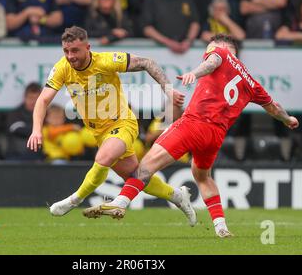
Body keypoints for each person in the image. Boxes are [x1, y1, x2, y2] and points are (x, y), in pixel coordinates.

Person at [83, 34, 299, 238]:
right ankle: (221, 227)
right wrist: (288, 119)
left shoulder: (220, 54)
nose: (207, 52)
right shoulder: (251, 83)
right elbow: (274, 107)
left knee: (145, 166)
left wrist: (194, 73)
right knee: (202, 176)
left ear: (223, 48)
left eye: (209, 49)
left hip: (194, 124)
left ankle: (120, 202)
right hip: (216, 135)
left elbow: (212, 62)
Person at [26, 26, 196, 226]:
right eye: (66, 51)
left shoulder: (106, 61)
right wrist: (36, 129)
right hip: (99, 132)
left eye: (75, 51)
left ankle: (74, 200)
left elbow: (147, 63)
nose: (70, 56)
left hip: (122, 123)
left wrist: (168, 91)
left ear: (88, 47)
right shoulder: (62, 68)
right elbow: (43, 100)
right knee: (137, 177)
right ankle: (178, 196)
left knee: (103, 158)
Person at [5, 82, 45, 161]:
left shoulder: (46, 113)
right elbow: (16, 129)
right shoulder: (15, 113)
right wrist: (38, 130)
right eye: (30, 98)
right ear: (25, 97)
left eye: (36, 98)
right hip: (15, 155)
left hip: (39, 157)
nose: (33, 102)